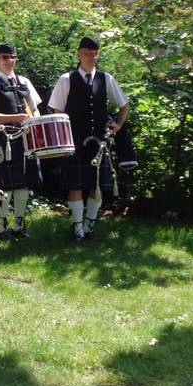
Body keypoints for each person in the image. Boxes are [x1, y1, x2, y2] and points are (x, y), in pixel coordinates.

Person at [48, 37, 129, 241]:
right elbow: (57, 112)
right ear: (79, 54)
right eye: (87, 53)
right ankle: (78, 229)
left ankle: (89, 226)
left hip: (99, 142)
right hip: (73, 140)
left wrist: (118, 125)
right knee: (75, 186)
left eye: (94, 54)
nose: (91, 57)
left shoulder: (106, 78)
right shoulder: (66, 79)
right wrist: (63, 140)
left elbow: (124, 105)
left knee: (97, 186)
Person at [0, 44, 43, 239]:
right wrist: (16, 118)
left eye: (12, 57)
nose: (9, 61)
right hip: (4, 139)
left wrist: (33, 119)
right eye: (5, 57)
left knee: (23, 183)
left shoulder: (24, 81)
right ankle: (1, 228)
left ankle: (19, 225)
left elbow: (35, 109)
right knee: (4, 184)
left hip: (26, 138)